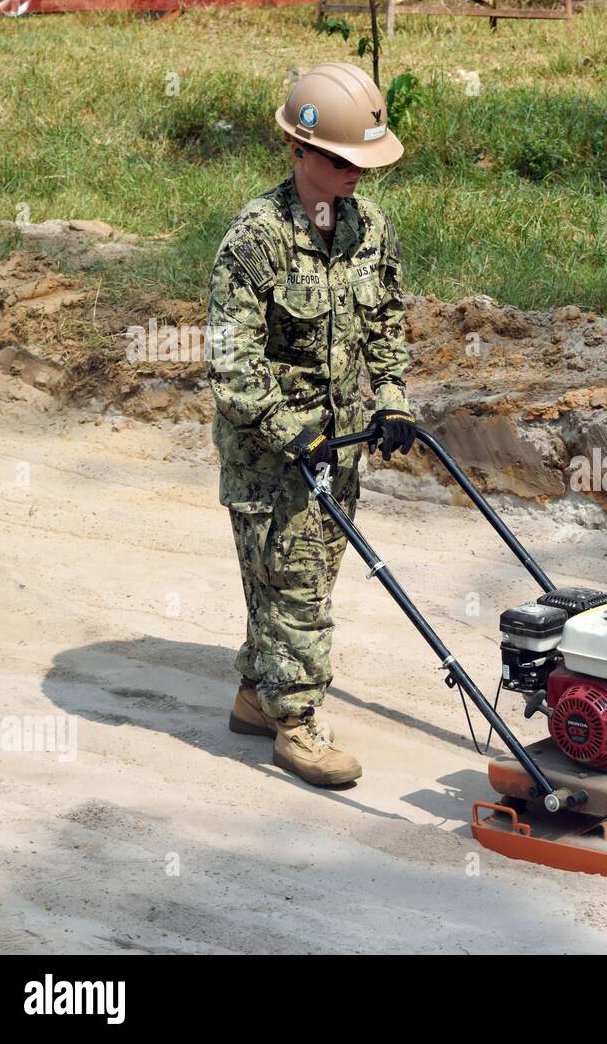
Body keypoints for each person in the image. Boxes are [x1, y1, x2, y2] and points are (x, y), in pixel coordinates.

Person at [205, 62, 416, 787]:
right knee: (293, 584)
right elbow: (230, 360)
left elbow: (386, 321)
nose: (356, 172)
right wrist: (287, 426)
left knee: (306, 574)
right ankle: (296, 721)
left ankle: (255, 692)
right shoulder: (254, 241)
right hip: (270, 453)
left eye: (364, 160)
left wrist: (392, 396)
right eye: (341, 159)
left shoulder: (370, 230)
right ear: (299, 151)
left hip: (339, 445)